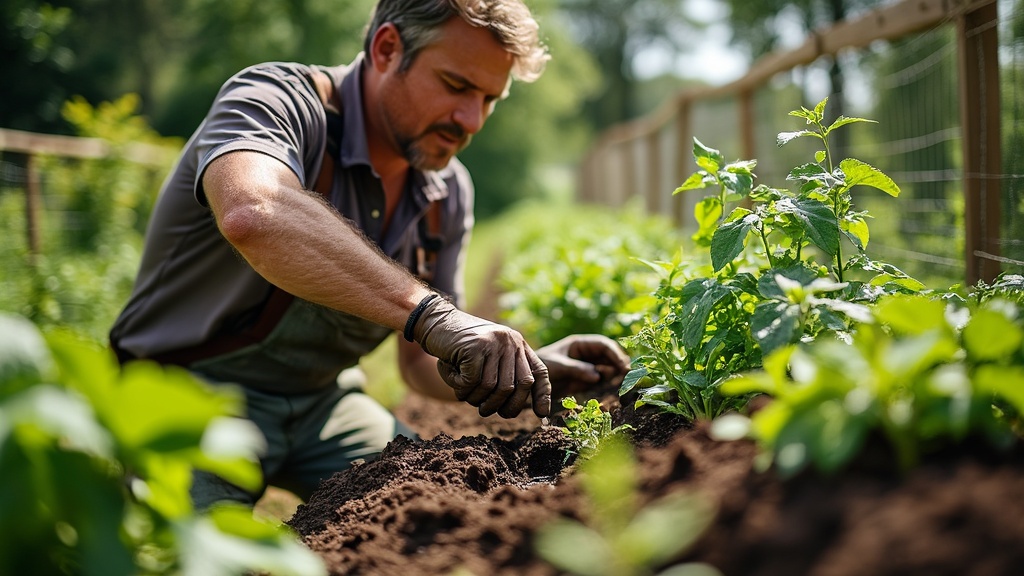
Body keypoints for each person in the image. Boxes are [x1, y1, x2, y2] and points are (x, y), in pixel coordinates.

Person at [109, 0, 631, 509]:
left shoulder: (446, 193)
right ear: (386, 49)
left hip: (324, 405)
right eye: (456, 86)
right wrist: (433, 315)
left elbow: (422, 363)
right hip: (182, 391)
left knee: (442, 505)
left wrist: (522, 367)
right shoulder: (275, 100)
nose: (470, 119)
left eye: (490, 100)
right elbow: (254, 210)